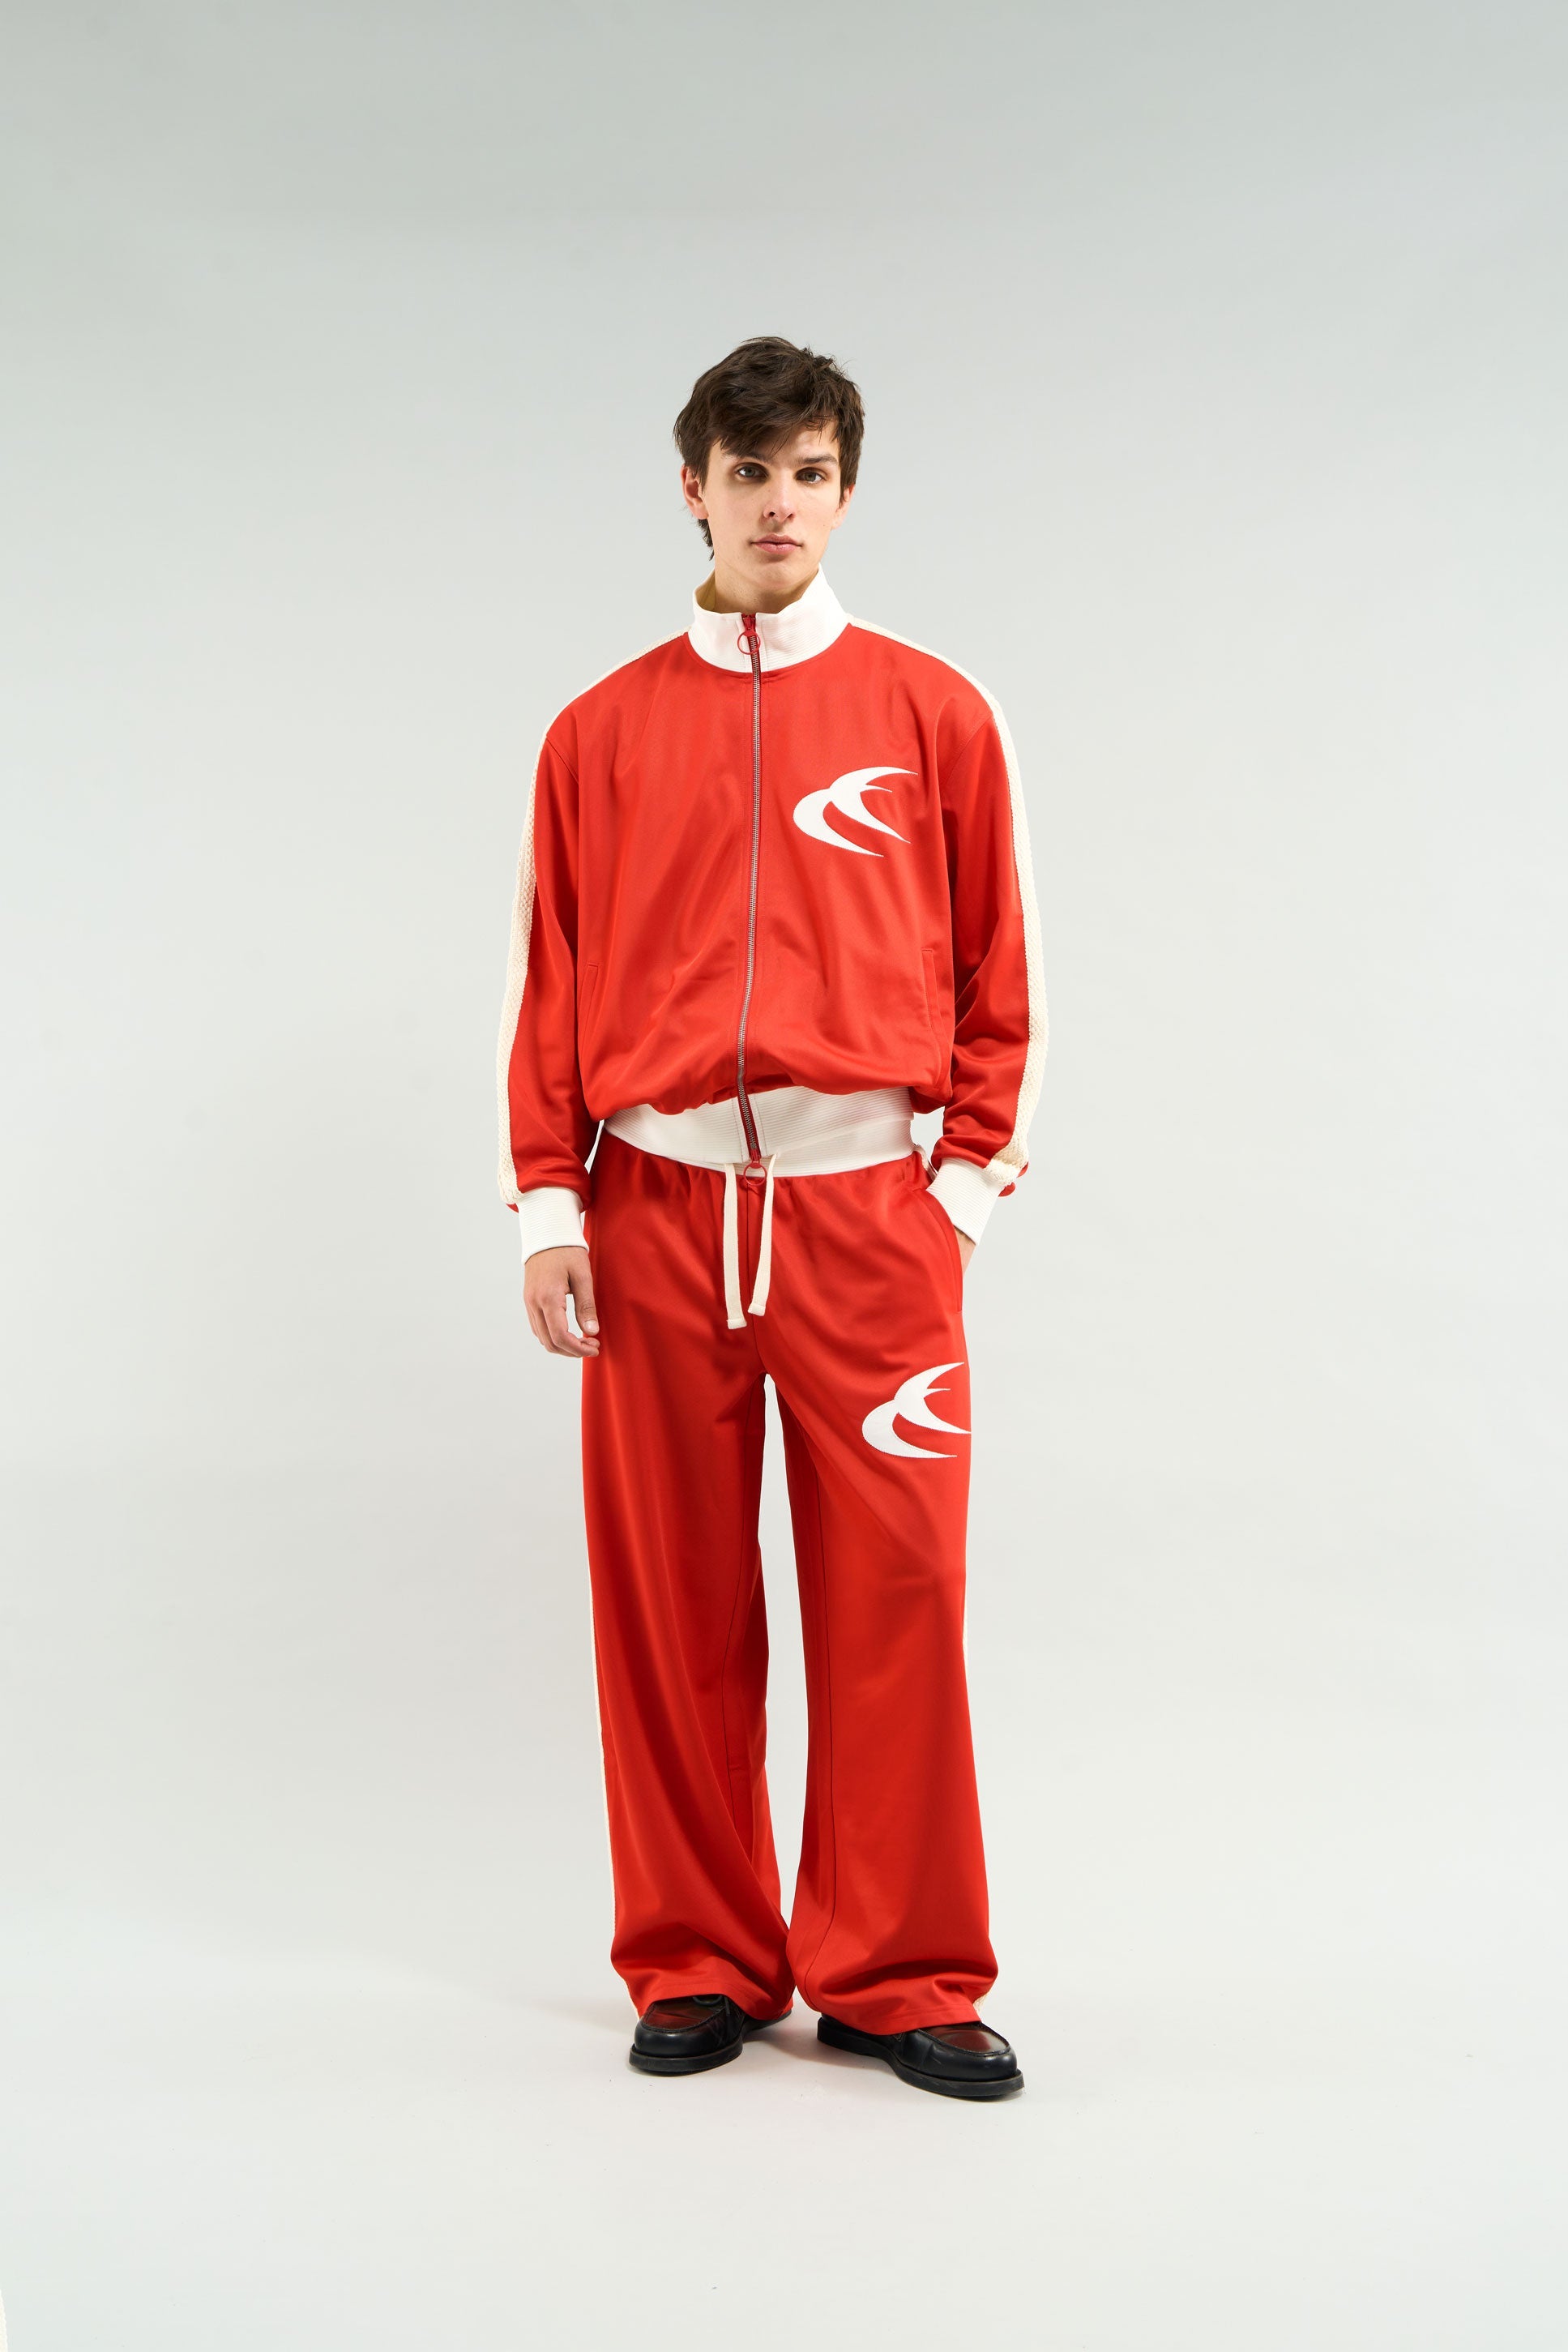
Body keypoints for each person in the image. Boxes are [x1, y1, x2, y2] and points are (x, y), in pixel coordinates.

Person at [495, 337, 1045, 2101]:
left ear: (844, 492)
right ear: (694, 490)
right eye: (749, 474)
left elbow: (1004, 979)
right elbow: (549, 979)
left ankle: (899, 1970)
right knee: (670, 1603)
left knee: (900, 1595)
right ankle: (697, 1955)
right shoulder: (596, 731)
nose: (779, 505)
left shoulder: (934, 711)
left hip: (866, 1217)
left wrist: (955, 1196)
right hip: (653, 1212)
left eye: (808, 474)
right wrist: (546, 1199)